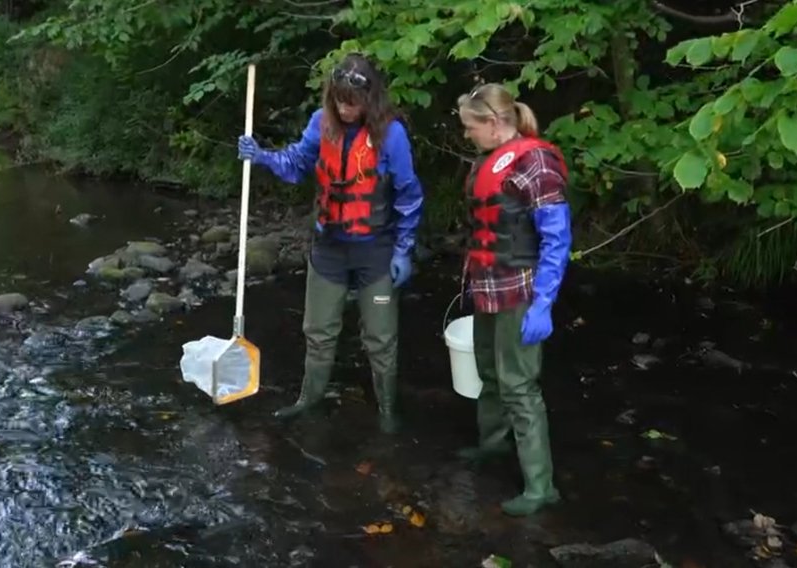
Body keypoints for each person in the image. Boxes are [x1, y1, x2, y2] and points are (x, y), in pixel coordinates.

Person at [236, 53, 424, 434]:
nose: (344, 109)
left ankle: (388, 410)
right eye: (338, 101)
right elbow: (297, 164)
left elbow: (408, 194)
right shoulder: (320, 124)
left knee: (380, 339)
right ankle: (309, 399)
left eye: (352, 102)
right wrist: (262, 157)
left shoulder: (391, 135)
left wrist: (404, 249)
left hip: (375, 251)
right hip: (329, 249)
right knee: (318, 332)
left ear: (369, 99)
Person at [453, 82, 572, 516]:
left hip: (520, 291)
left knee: (519, 386)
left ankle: (541, 487)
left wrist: (543, 304)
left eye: (471, 126)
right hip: (487, 287)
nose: (467, 134)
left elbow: (556, 237)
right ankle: (494, 445)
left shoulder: (536, 161)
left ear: (493, 122)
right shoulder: (488, 159)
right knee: (488, 372)